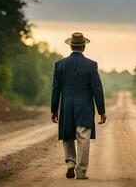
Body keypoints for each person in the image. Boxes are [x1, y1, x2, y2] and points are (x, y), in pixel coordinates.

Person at [51, 32, 107, 180]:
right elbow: (97, 89)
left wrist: (53, 110)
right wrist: (101, 110)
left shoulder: (59, 64)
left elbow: (56, 89)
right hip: (84, 107)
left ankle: (70, 162)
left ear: (70, 46)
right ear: (83, 47)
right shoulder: (91, 65)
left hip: (67, 105)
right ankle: (81, 171)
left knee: (68, 135)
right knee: (83, 137)